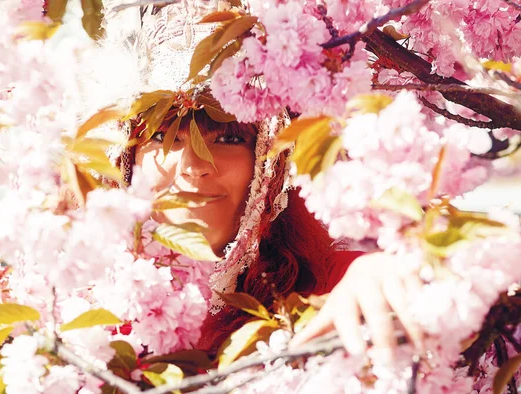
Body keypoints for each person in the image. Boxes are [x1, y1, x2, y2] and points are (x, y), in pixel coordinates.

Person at [86, 0, 424, 362]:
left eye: (228, 138)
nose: (194, 166)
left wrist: (390, 278)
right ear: (125, 159)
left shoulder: (336, 293)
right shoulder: (74, 315)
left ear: (270, 165)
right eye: (163, 137)